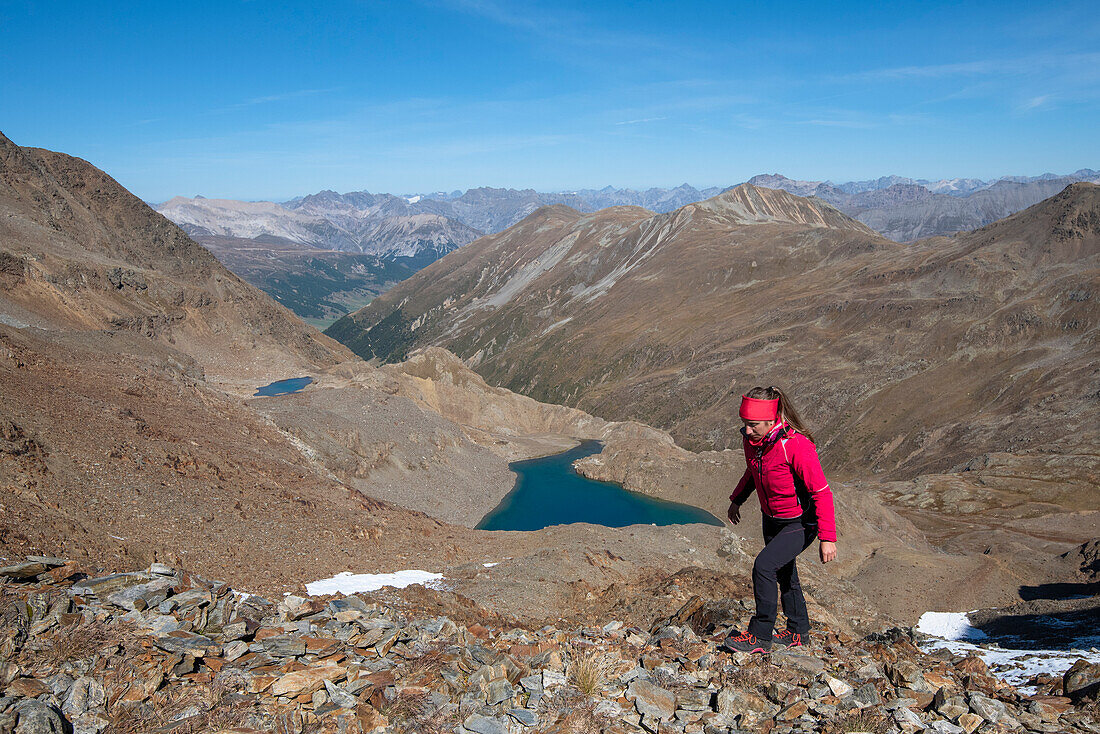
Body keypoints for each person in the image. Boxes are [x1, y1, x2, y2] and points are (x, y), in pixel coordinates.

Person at [720, 385, 837, 653]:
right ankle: (798, 632)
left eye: (753, 425)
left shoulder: (794, 445)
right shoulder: (752, 441)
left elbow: (822, 493)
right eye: (745, 424)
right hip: (771, 517)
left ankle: (760, 636)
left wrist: (827, 538)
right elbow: (753, 471)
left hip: (800, 522)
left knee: (764, 566)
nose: (747, 431)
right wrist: (737, 499)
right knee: (785, 573)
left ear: (772, 419)